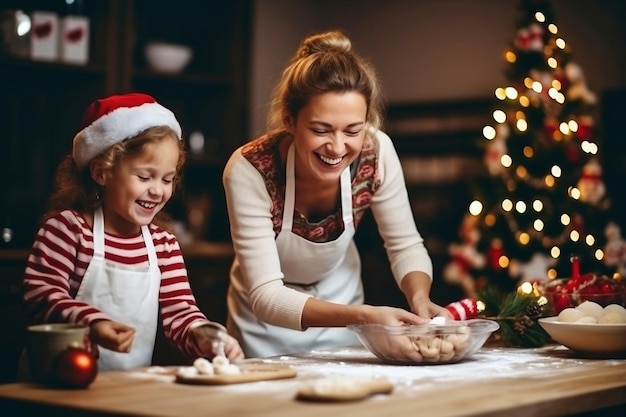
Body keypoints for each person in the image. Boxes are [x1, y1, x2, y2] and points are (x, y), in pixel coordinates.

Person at [222, 29, 453, 359]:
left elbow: (404, 243)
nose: (337, 146)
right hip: (264, 327)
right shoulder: (250, 169)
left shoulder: (376, 152)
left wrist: (419, 300)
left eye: (352, 130)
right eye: (320, 130)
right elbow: (267, 296)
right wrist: (365, 317)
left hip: (342, 304)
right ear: (289, 120)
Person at [22, 93, 243, 373]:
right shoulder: (69, 231)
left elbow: (180, 313)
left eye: (167, 179)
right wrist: (93, 323)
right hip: (58, 385)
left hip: (126, 389)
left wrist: (206, 336)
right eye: (144, 176)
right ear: (102, 173)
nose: (157, 190)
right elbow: (41, 295)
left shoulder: (164, 246)